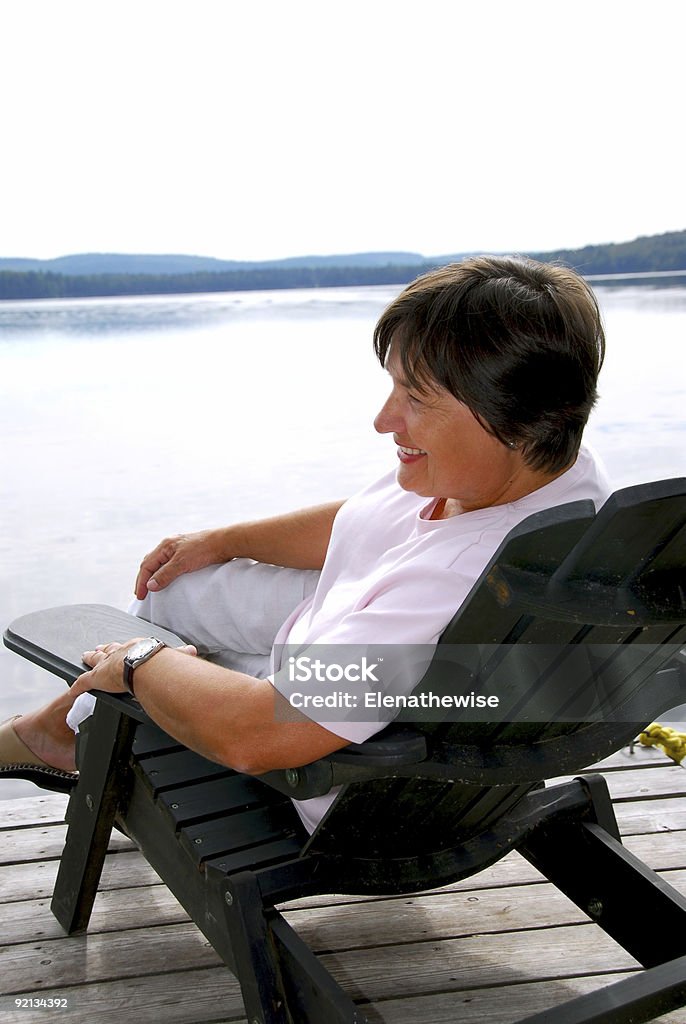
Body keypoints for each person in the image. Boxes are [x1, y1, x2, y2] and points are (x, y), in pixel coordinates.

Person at [0, 255, 611, 832]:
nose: (384, 419)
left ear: (517, 416)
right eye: (393, 386)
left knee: (154, 654)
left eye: (416, 398)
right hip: (348, 646)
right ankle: (64, 726)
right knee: (177, 584)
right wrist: (224, 540)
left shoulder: (448, 587)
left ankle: (59, 736)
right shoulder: (553, 467)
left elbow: (257, 732)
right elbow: (370, 517)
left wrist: (140, 666)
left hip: (334, 770)